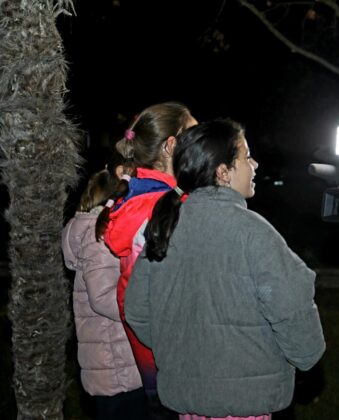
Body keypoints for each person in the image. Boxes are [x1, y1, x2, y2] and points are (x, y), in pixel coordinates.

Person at [123, 119, 326, 419]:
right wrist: (307, 356)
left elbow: (137, 311)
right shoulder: (253, 232)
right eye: (245, 156)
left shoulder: (165, 228)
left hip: (187, 402)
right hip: (246, 405)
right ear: (223, 171)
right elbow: (292, 308)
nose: (254, 164)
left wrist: (179, 348)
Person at [96, 101, 198, 419]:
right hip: (182, 364)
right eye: (194, 136)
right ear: (170, 146)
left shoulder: (133, 200)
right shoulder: (167, 208)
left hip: (150, 363)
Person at [62, 164, 146, 420]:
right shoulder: (98, 235)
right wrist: (143, 304)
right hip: (117, 369)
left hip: (109, 365)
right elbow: (102, 298)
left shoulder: (94, 232)